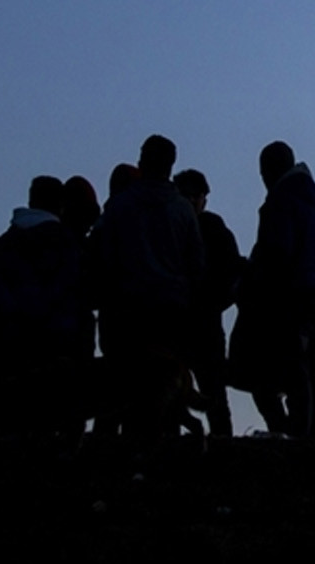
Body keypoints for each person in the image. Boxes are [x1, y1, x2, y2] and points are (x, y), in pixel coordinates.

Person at [90, 136, 206, 441]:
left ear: (142, 162)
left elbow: (105, 258)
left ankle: (121, 460)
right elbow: (196, 266)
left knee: (121, 389)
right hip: (171, 312)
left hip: (125, 310)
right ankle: (161, 457)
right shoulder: (183, 211)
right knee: (163, 393)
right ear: (171, 165)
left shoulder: (119, 207)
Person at [0, 176, 92, 439]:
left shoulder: (6, 243)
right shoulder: (67, 243)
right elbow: (72, 295)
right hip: (55, 343)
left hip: (7, 341)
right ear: (61, 205)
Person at [230, 141, 315, 438]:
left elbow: (276, 255)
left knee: (293, 373)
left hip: (291, 301)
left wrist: (254, 286)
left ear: (269, 171)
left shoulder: (279, 204)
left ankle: (297, 439)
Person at [174, 168, 245, 438]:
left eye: (197, 195)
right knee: (173, 395)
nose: (192, 201)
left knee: (213, 395)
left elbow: (232, 275)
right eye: (187, 195)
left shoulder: (213, 229)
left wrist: (212, 303)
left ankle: (221, 450)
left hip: (203, 324)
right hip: (182, 322)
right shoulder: (185, 228)